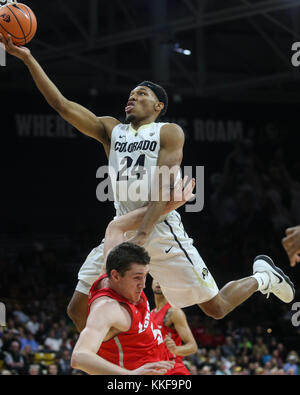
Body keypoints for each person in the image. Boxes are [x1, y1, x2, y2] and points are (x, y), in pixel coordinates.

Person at [0, 34, 295, 333]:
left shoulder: (168, 132)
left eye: (141, 94)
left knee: (215, 307)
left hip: (161, 230)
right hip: (122, 227)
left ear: (158, 105)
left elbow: (164, 189)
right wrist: (27, 58)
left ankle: (263, 277)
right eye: (131, 93)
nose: (133, 97)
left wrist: (142, 234)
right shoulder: (111, 130)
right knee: (77, 309)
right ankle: (122, 365)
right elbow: (62, 105)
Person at [71, 242, 175, 375]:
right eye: (137, 277)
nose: (143, 285)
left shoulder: (115, 275)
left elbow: (115, 227)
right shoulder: (107, 308)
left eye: (145, 276)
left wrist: (143, 230)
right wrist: (131, 374)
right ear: (115, 276)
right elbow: (79, 357)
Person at [151, 278, 198, 375]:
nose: (159, 281)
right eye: (156, 277)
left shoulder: (174, 312)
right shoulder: (150, 314)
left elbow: (193, 346)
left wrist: (175, 349)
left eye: (162, 278)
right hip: (157, 368)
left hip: (173, 368)